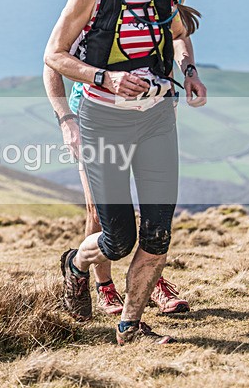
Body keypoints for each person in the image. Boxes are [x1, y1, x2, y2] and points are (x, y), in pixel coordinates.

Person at [43, 0, 206, 344]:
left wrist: (189, 72)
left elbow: (179, 36)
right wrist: (106, 79)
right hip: (102, 121)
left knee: (157, 233)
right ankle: (77, 264)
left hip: (156, 119)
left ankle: (130, 325)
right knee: (115, 239)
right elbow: (53, 55)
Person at [43, 65, 190, 315]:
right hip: (92, 117)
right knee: (100, 214)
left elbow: (173, 41)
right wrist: (66, 119)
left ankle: (151, 283)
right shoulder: (80, 23)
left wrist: (184, 79)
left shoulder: (152, 23)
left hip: (150, 115)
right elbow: (53, 60)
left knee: (153, 213)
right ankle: (104, 286)